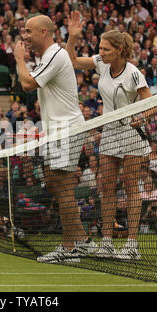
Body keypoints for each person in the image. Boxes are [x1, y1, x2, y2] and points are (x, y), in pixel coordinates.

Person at [66, 11, 153, 260]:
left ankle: (132, 245)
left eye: (105, 49)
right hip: (110, 132)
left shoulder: (134, 73)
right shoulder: (101, 63)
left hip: (132, 133)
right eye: (100, 49)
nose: (100, 52)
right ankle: (107, 241)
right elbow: (71, 60)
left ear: (118, 50)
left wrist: (142, 117)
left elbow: (150, 101)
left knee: (130, 186)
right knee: (106, 187)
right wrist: (72, 37)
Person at [14, 15, 98, 264]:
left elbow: (28, 83)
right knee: (53, 182)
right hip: (56, 131)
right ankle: (81, 239)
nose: (25, 36)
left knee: (62, 187)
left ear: (43, 32)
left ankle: (69, 248)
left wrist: (19, 59)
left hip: (66, 130)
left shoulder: (54, 54)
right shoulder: (48, 56)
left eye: (28, 32)